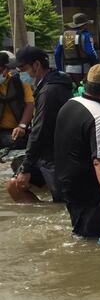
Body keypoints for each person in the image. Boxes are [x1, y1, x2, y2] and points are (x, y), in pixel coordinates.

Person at [54, 64, 100, 237]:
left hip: (67, 184)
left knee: (80, 233)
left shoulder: (71, 104)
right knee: (94, 240)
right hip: (90, 192)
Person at [6, 47, 73, 203]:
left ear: (36, 65)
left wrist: (26, 168)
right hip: (49, 154)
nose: (21, 74)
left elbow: (39, 132)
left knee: (64, 203)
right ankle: (45, 213)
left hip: (57, 158)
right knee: (14, 185)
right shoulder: (51, 84)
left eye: (23, 69)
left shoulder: (49, 91)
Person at [0, 51, 33, 150]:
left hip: (15, 129)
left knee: (14, 141)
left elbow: (30, 104)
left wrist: (22, 126)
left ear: (7, 69)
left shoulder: (20, 81)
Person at [54, 13, 99, 84]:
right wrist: (96, 65)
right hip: (84, 71)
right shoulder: (86, 35)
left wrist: (60, 71)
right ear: (84, 25)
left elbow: (57, 54)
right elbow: (91, 52)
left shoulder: (63, 36)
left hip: (67, 70)